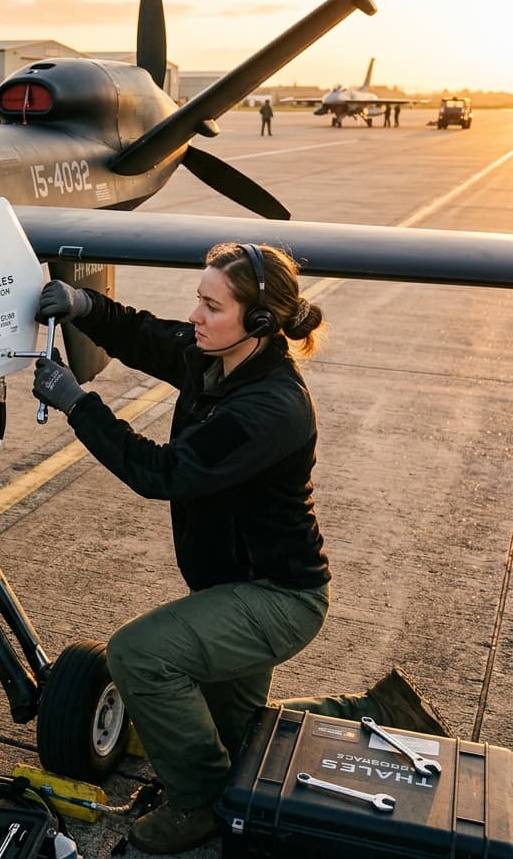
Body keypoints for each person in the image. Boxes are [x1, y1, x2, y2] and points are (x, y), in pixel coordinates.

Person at [32, 245, 454, 854]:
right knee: (244, 739)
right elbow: (149, 336)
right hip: (236, 589)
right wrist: (84, 304)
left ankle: (201, 803)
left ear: (257, 322)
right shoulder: (222, 357)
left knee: (141, 657)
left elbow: (162, 472)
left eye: (211, 305)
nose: (196, 316)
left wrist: (79, 404)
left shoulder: (269, 408)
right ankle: (377, 711)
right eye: (198, 300)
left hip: (278, 598)